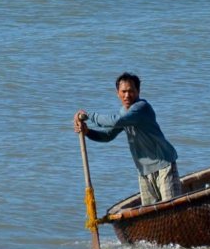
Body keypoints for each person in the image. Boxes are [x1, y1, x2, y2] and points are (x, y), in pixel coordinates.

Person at [74, 72, 182, 206]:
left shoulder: (141, 108)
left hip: (164, 165)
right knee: (151, 215)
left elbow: (116, 121)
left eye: (131, 91)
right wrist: (88, 132)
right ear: (117, 93)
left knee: (171, 209)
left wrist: (89, 116)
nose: (127, 95)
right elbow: (108, 135)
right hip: (143, 170)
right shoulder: (124, 112)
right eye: (123, 91)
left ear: (138, 91)